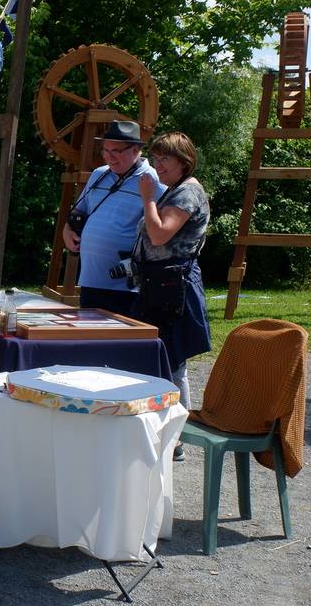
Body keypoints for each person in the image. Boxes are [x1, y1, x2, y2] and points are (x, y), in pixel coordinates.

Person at [134, 132, 211, 457]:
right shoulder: (176, 191)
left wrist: (148, 199)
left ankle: (178, 438)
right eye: (156, 157)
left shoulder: (187, 193)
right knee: (164, 358)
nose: (158, 164)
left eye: (165, 158)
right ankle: (170, 434)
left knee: (173, 361)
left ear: (184, 161)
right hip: (161, 284)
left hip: (173, 287)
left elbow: (160, 233)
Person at [62, 119, 164, 317]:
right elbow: (78, 211)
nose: (110, 157)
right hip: (90, 280)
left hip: (126, 287)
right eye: (105, 151)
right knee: (89, 340)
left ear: (136, 150)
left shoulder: (153, 181)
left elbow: (161, 232)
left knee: (119, 342)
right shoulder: (99, 175)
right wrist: (67, 230)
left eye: (116, 151)